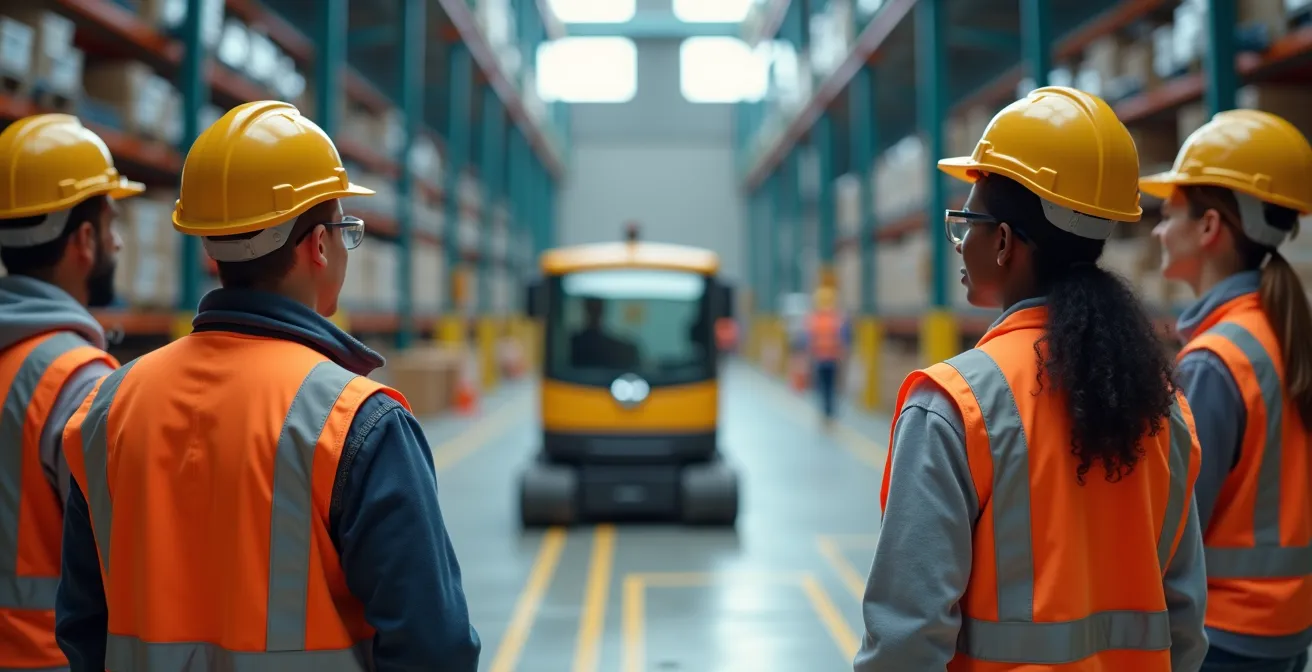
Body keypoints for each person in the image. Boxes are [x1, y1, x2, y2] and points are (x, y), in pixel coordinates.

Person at [54, 101, 481, 671]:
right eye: (344, 228)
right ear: (319, 245)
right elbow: (435, 649)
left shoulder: (108, 409)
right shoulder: (355, 422)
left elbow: (83, 629)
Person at [853, 86, 1208, 671]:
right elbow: (1185, 623)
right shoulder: (1161, 406)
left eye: (967, 223)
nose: (961, 241)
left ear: (1005, 243)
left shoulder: (955, 406)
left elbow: (906, 641)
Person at [1141, 109, 1312, 672]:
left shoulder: (1216, 361)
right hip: (1285, 629)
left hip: (1225, 635)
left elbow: (1176, 525)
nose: (1159, 232)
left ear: (1209, 228)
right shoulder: (1278, 329)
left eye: (1169, 216)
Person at [0, 114, 139, 672]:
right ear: (84, 240)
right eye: (110, 224)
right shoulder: (76, 380)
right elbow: (121, 554)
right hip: (44, 658)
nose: (118, 241)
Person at [805, 285, 848, 424]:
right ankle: (830, 412)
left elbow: (809, 339)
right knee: (831, 386)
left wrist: (810, 357)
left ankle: (825, 411)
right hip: (832, 358)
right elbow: (843, 338)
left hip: (820, 358)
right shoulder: (836, 318)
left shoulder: (815, 319)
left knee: (822, 386)